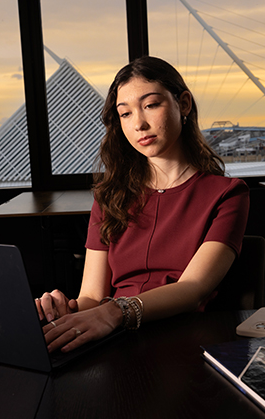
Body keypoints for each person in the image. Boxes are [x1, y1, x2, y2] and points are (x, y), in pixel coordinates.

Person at [36, 56, 249, 353]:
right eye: (125, 114)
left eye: (150, 105)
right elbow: (92, 296)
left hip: (185, 339)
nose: (139, 124)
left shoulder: (227, 194)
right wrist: (67, 312)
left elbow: (193, 290)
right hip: (115, 336)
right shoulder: (109, 195)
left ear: (183, 104)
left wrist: (114, 312)